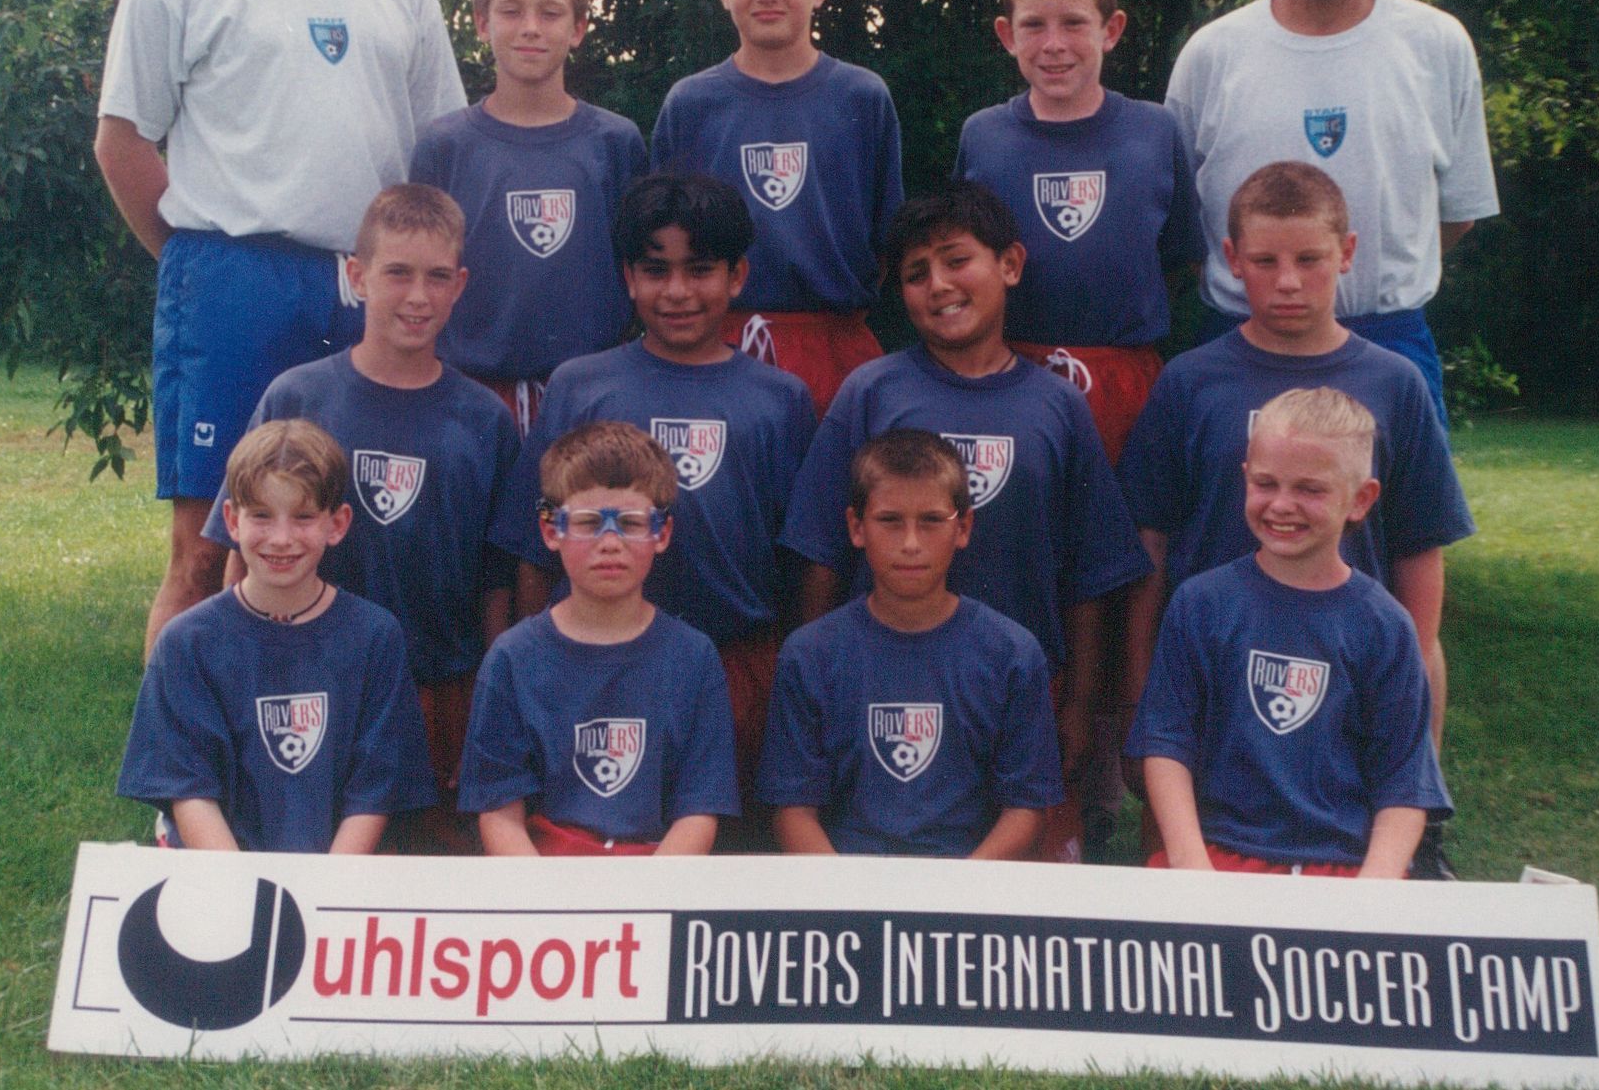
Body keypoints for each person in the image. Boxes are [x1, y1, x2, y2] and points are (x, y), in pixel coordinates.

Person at [95, 0, 466, 654]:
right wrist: (194, 258)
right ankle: (182, 748)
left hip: (366, 288)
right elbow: (122, 140)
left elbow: (440, 148)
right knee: (204, 550)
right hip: (231, 280)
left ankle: (330, 730)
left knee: (352, 538)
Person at [1117, 162, 1472, 876]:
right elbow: (1150, 544)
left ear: (1347, 253)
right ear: (1231, 258)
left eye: (1309, 259)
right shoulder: (1191, 380)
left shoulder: (1394, 384)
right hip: (1213, 675)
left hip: (1344, 683)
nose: (1287, 281)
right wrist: (1138, 689)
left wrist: (1407, 699)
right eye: (1265, 261)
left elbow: (1419, 548)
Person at [781, 186, 1152, 862]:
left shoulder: (1058, 406)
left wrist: (1077, 705)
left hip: (1018, 695)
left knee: (1016, 873)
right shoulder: (871, 391)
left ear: (1010, 264)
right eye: (916, 273)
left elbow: (1092, 570)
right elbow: (822, 549)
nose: (939, 285)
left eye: (956, 261)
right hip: (880, 691)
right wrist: (813, 680)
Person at [200, 185, 517, 849]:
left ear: (460, 285)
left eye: (437, 277)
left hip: (441, 690)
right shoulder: (298, 396)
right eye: (397, 272)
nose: (418, 296)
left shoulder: (484, 418)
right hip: (313, 686)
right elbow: (239, 556)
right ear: (357, 275)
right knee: (317, 860)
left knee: (432, 867)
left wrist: (488, 710)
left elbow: (497, 581)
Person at [489, 174, 815, 809]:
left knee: (724, 842)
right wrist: (538, 659)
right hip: (590, 665)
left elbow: (800, 560)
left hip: (737, 667)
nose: (677, 291)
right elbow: (532, 547)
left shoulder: (781, 400)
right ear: (629, 278)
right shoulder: (581, 386)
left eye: (700, 269)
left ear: (737, 277)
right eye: (656, 270)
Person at [1165, 0, 1497, 423]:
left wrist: (1345, 293)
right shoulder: (1211, 55)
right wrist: (1268, 289)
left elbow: (1456, 215)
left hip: (1386, 343)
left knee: (1398, 494)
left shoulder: (1437, 44)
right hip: (1238, 344)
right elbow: (1184, 225)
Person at [1126, 388, 1451, 877]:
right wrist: (1192, 867)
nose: (1281, 505)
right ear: (1245, 478)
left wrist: (1372, 892)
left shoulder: (1385, 627)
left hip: (1344, 870)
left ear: (1360, 499)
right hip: (1216, 860)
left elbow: (1404, 785)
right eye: (1266, 483)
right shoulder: (1200, 604)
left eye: (1309, 489)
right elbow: (1166, 746)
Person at [117, 419, 436, 853]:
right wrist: (242, 885)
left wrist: (326, 885)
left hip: (338, 874)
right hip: (222, 871)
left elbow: (374, 790)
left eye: (303, 517)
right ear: (232, 521)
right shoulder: (187, 643)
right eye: (262, 516)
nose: (282, 539)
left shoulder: (375, 637)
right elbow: (189, 789)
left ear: (337, 523)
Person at [954, 0, 1202, 465]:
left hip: (1127, 383)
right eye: (1033, 26)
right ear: (1007, 35)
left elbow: (1177, 259)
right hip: (1012, 377)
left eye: (1073, 23)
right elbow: (963, 263)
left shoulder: (1154, 132)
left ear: (1111, 30)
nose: (1053, 44)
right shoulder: (984, 136)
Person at [649, 0, 903, 414]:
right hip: (714, 343)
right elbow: (659, 242)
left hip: (835, 348)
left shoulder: (861, 97)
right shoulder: (691, 104)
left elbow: (887, 240)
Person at [760, 430, 1062, 858]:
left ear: (963, 527)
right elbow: (793, 811)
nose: (911, 544)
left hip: (967, 883)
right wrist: (847, 891)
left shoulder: (1012, 654)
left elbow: (1025, 809)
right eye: (890, 521)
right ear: (856, 527)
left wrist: (955, 891)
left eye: (931, 521)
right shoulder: (809, 654)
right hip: (847, 881)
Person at [460, 422, 740, 855]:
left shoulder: (693, 656)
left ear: (662, 533)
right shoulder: (512, 658)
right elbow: (500, 815)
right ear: (551, 531)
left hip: (658, 875)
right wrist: (545, 896)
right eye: (589, 523)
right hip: (545, 875)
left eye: (630, 523)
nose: (610, 542)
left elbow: (698, 813)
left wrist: (648, 894)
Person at [409, 0, 646, 434]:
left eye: (551, 13)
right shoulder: (445, 145)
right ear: (481, 22)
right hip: (470, 395)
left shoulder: (615, 142)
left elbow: (640, 271)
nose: (531, 28)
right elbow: (420, 275)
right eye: (511, 11)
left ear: (578, 28)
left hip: (592, 397)